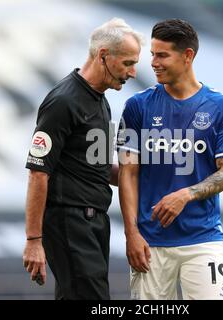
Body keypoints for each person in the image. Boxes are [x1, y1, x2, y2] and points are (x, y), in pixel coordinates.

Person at [117, 19, 223, 300]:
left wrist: (185, 195)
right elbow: (128, 173)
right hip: (150, 243)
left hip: (203, 239)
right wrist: (131, 234)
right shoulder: (137, 106)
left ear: (187, 56)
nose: (153, 63)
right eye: (152, 54)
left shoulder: (220, 106)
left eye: (162, 55)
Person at [22, 18, 142, 300]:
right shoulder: (63, 101)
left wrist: (150, 177)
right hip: (70, 220)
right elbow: (38, 173)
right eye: (127, 63)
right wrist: (33, 241)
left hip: (94, 222)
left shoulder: (100, 100)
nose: (133, 72)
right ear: (103, 56)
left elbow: (100, 169)